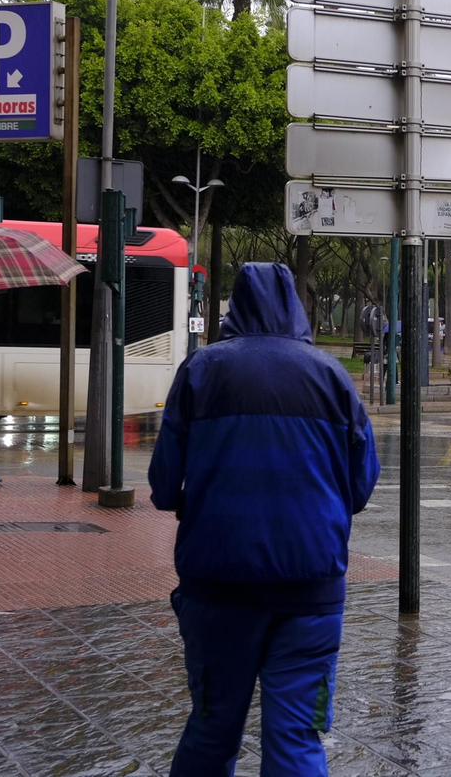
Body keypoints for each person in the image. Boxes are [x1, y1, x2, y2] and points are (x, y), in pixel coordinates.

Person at [149, 263, 380, 776]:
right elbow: (362, 485)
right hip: (311, 593)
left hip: (216, 588)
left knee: (211, 728)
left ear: (236, 307)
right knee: (297, 736)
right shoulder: (331, 376)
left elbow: (163, 488)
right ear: (295, 306)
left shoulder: (200, 371)